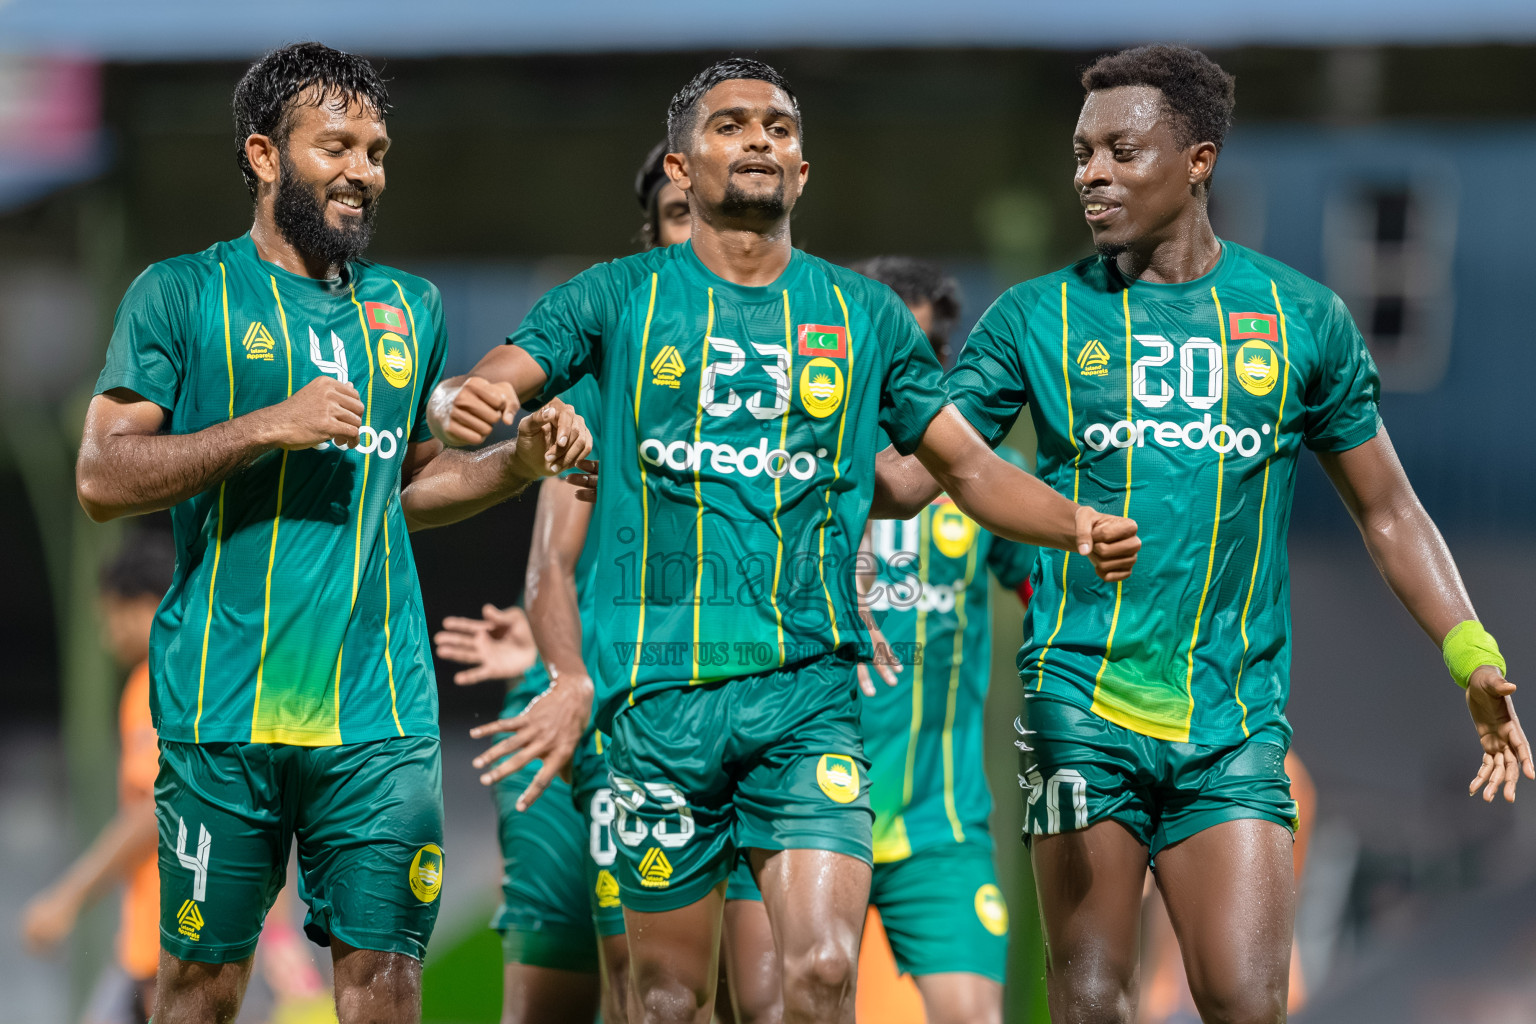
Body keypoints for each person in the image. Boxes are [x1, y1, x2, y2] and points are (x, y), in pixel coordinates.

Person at [427, 57, 1139, 1024]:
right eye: (731, 124)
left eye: (779, 126)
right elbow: (505, 378)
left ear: (803, 173)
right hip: (658, 704)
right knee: (670, 998)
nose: (760, 138)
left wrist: (1074, 521)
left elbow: (963, 469)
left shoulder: (863, 316)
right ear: (680, 167)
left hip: (806, 698)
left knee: (816, 974)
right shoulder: (613, 300)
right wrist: (475, 399)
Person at [874, 43, 1532, 1024]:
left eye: (1121, 150)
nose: (1092, 171)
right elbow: (914, 477)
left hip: (1234, 725)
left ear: (1198, 160)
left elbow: (1389, 510)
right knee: (1093, 993)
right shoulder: (1034, 319)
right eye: (1081, 152)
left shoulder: (1300, 320)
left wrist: (1470, 650)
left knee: (1245, 996)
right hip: (1080, 714)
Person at [73, 42, 588, 1024]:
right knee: (199, 989)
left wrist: (515, 465)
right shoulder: (182, 294)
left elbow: (414, 483)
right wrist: (269, 424)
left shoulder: (410, 309)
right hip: (227, 707)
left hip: (379, 717)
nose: (366, 170)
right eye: (338, 145)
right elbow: (102, 476)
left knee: (387, 985)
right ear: (265, 156)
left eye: (379, 149)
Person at [436, 140, 779, 1024]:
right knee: (582, 987)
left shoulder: (790, 379)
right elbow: (552, 550)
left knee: (743, 985)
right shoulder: (601, 377)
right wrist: (561, 652)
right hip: (584, 704)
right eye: (678, 221)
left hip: (726, 704)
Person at [848, 257, 1033, 1024]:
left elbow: (1054, 593)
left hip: (940, 824)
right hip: (807, 808)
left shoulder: (987, 478)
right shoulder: (793, 466)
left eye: (927, 353)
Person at [21, 534, 173, 1024]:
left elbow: (152, 809)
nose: (107, 637)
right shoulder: (210, 678)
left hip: (167, 934)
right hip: (177, 932)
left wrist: (67, 898)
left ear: (146, 604)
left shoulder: (154, 681)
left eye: (111, 616)